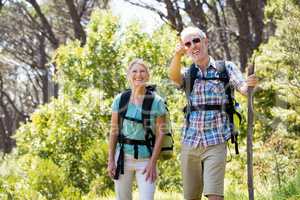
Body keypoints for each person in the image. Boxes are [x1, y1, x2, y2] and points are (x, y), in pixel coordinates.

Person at [168, 26, 258, 200]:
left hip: (216, 141)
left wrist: (250, 85)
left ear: (205, 41)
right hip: (190, 142)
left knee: (215, 196)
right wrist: (177, 56)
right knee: (191, 197)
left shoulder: (225, 68)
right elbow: (174, 77)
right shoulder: (189, 73)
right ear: (185, 49)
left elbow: (243, 88)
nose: (193, 45)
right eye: (187, 44)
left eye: (196, 40)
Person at [107, 59, 167, 200]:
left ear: (148, 75)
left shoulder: (156, 101)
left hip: (146, 159)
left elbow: (161, 133)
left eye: (142, 71)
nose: (138, 75)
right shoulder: (120, 99)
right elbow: (114, 130)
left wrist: (153, 162)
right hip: (122, 158)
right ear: (128, 75)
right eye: (134, 71)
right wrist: (111, 160)